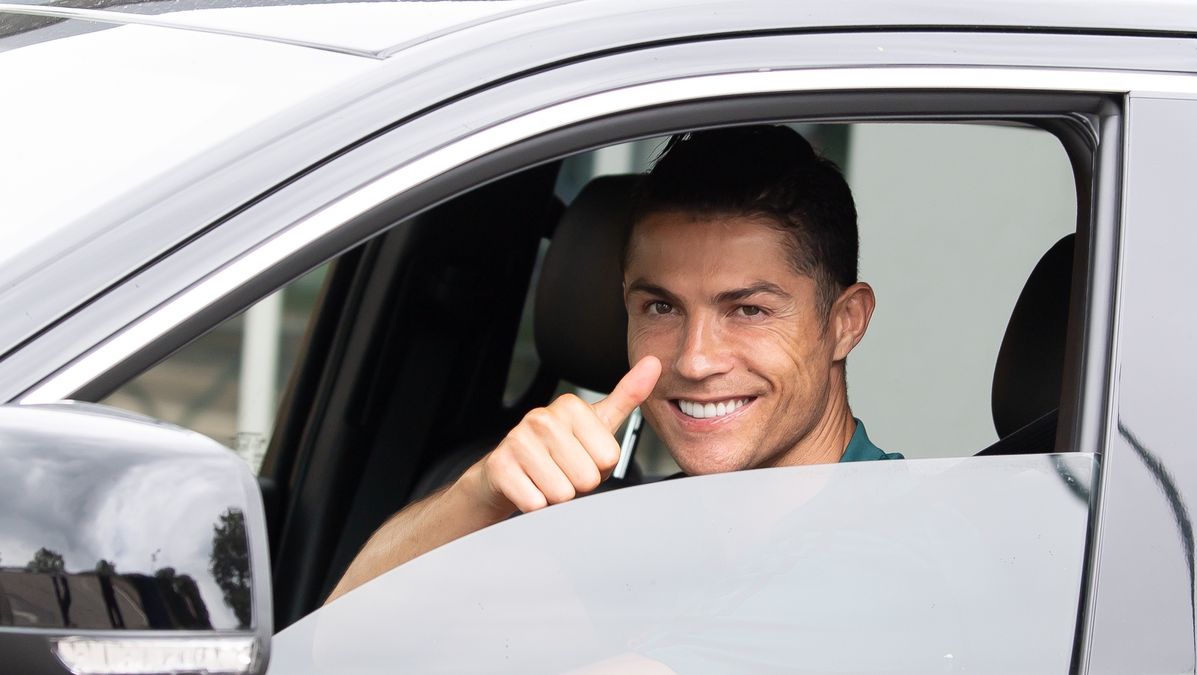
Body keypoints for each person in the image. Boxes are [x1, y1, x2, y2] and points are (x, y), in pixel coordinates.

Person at [326, 124, 901, 603]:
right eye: (660, 306)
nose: (695, 358)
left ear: (845, 322)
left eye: (748, 310)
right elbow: (331, 644)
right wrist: (482, 490)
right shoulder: (635, 526)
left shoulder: (881, 551)